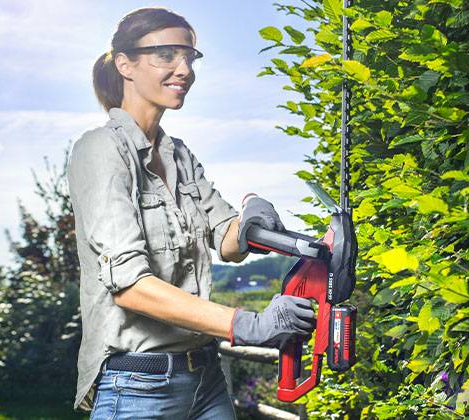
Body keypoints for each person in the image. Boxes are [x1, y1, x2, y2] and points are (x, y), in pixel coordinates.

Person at [67, 7, 316, 419]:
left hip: (205, 376)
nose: (184, 69)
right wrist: (251, 325)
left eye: (189, 57)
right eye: (166, 55)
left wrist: (252, 214)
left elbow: (228, 240)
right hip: (139, 385)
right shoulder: (100, 150)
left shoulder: (179, 154)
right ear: (126, 64)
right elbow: (130, 285)